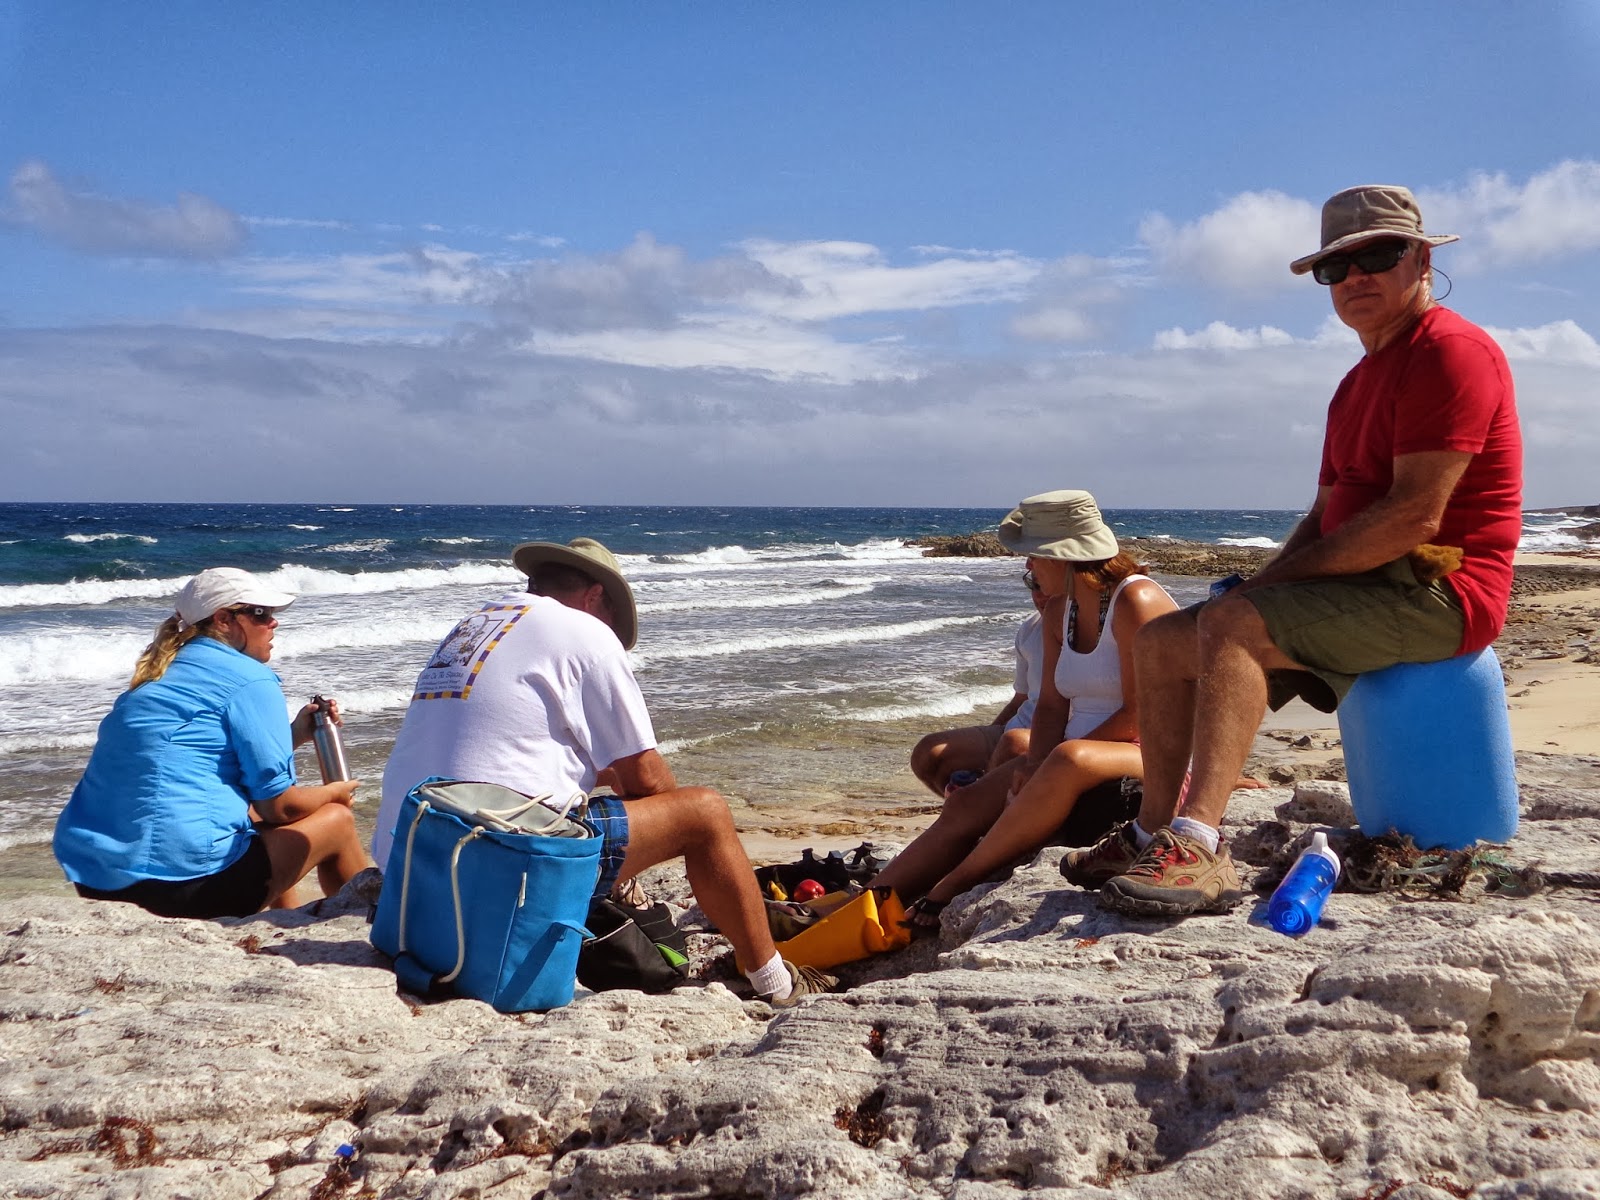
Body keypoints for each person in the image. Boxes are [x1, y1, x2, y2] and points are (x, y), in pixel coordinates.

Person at [1065, 183, 1524, 918]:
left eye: (1378, 256)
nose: (1355, 278)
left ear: (1422, 260)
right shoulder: (1355, 384)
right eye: (1335, 268)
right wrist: (1266, 581)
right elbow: (1322, 515)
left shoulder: (1451, 353)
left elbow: (1412, 517)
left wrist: (1260, 599)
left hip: (1440, 595)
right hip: (1365, 586)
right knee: (1159, 643)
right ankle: (1151, 831)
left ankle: (1198, 844)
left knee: (1234, 625)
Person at [376, 537, 834, 1007]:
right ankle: (775, 982)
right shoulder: (584, 632)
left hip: (409, 867)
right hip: (497, 872)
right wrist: (666, 824)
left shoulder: (473, 627)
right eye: (613, 618)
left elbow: (506, 756)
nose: (613, 632)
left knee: (608, 806)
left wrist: (603, 780)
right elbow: (649, 781)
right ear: (596, 596)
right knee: (704, 814)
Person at [871, 491, 1178, 927]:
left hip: (1155, 751)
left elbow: (1139, 715)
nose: (1029, 567)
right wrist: (1035, 765)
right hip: (1077, 755)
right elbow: (1051, 706)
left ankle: (952, 886)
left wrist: (1047, 764)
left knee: (1068, 758)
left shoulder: (1136, 599)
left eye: (1034, 556)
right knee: (966, 805)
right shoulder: (1059, 612)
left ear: (1063, 557)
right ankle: (865, 903)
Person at [53, 568, 368, 919]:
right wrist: (334, 793)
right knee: (336, 821)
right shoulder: (251, 679)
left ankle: (284, 917)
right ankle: (366, 921)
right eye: (260, 613)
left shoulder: (157, 674)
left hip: (96, 878)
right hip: (181, 887)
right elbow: (281, 807)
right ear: (223, 619)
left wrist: (294, 733)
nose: (273, 623)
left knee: (247, 814)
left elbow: (204, 759)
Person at [909, 578, 1048, 797]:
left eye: (1046, 585)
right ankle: (965, 807)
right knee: (928, 753)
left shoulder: (1083, 632)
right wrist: (991, 746)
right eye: (1035, 585)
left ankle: (974, 808)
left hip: (1048, 738)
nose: (1040, 595)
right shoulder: (1031, 629)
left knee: (1013, 743)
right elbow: (1020, 700)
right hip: (1015, 730)